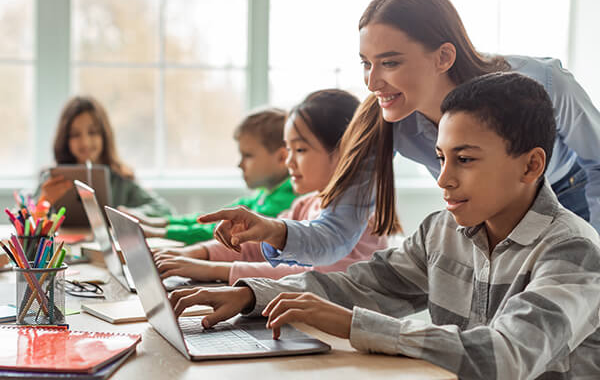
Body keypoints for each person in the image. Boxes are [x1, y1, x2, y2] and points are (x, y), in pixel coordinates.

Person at [170, 73, 600, 380]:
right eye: (441, 157)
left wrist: (355, 324)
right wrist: (250, 294)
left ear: (531, 165)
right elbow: (358, 285)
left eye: (464, 159)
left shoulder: (573, 252)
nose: (443, 178)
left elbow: (505, 358)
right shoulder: (441, 231)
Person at [197, 0, 600, 268]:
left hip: (571, 199)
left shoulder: (543, 82)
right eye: (366, 64)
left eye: (390, 63)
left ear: (443, 56)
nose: (372, 83)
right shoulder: (387, 120)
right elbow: (338, 233)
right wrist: (271, 230)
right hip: (487, 215)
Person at [153, 90, 387, 284]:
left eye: (300, 150)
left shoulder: (361, 219)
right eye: (289, 150)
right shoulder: (304, 205)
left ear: (342, 151)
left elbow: (314, 278)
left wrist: (211, 270)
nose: (288, 161)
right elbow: (255, 246)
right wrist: (192, 255)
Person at [123, 109, 296, 244]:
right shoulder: (263, 194)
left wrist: (156, 232)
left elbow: (220, 233)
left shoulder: (288, 199)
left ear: (281, 158)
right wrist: (160, 222)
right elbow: (212, 219)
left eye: (248, 156)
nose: (239, 164)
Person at [38, 96, 173, 217]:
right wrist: (44, 202)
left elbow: (164, 210)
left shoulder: (121, 179)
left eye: (93, 132)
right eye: (75, 135)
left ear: (104, 135)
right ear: (65, 139)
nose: (85, 142)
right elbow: (23, 218)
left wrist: (129, 214)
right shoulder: (52, 178)